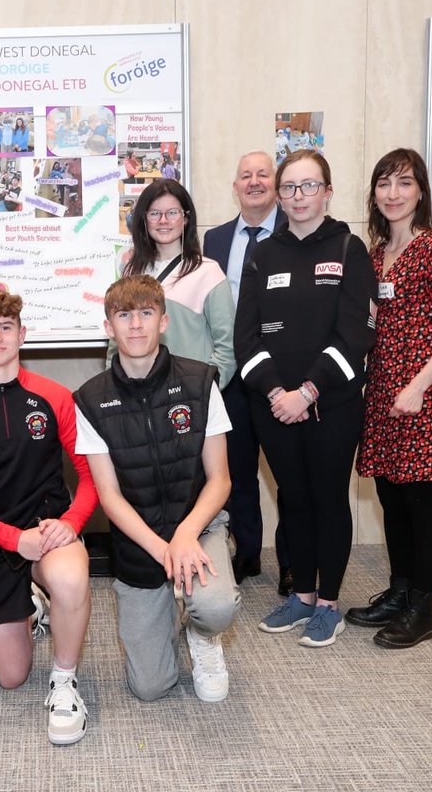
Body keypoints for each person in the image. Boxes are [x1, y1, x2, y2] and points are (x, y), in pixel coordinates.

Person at [0, 289, 98, 744]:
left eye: (5, 327)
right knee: (11, 677)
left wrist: (71, 523)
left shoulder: (55, 397)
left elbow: (91, 477)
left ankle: (64, 681)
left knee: (70, 579)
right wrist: (12, 540)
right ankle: (34, 606)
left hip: (48, 532)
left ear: (22, 335)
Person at [235, 148, 377, 648]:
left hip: (331, 405)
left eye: (309, 185)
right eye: (290, 187)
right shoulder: (262, 254)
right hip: (274, 407)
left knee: (328, 498)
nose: (298, 196)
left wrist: (309, 391)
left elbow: (356, 335)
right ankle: (302, 595)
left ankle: (329, 605)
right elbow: (246, 338)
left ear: (327, 191)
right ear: (280, 195)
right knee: (292, 498)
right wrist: (279, 393)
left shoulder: (349, 249)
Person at [75, 275, 240, 703]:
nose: (136, 325)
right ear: (109, 327)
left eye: (146, 313)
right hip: (139, 543)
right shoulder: (89, 400)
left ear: (163, 321)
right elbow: (109, 497)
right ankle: (170, 610)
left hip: (198, 528)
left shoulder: (200, 382)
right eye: (124, 316)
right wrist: (164, 549)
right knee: (150, 687)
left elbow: (220, 479)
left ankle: (202, 634)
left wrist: (185, 535)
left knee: (216, 607)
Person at [348, 148, 432, 648]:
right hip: (381, 393)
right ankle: (399, 592)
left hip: (420, 395)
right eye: (384, 184)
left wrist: (417, 387)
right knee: (390, 498)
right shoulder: (375, 254)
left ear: (421, 192)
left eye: (404, 183)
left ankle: (422, 607)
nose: (393, 194)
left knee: (420, 502)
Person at [203, 150, 293, 592]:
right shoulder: (215, 240)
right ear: (235, 186)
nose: (254, 182)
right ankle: (248, 553)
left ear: (275, 184)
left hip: (281, 375)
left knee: (287, 474)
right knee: (237, 471)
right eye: (246, 176)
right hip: (232, 374)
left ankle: (293, 562)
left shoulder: (295, 231)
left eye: (263, 174)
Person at [113, 178, 235, 396]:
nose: (163, 221)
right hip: (139, 398)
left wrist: (204, 393)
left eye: (172, 213)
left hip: (190, 398)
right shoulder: (130, 272)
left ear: (185, 218)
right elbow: (116, 342)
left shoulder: (208, 272)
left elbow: (228, 348)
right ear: (144, 219)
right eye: (154, 213)